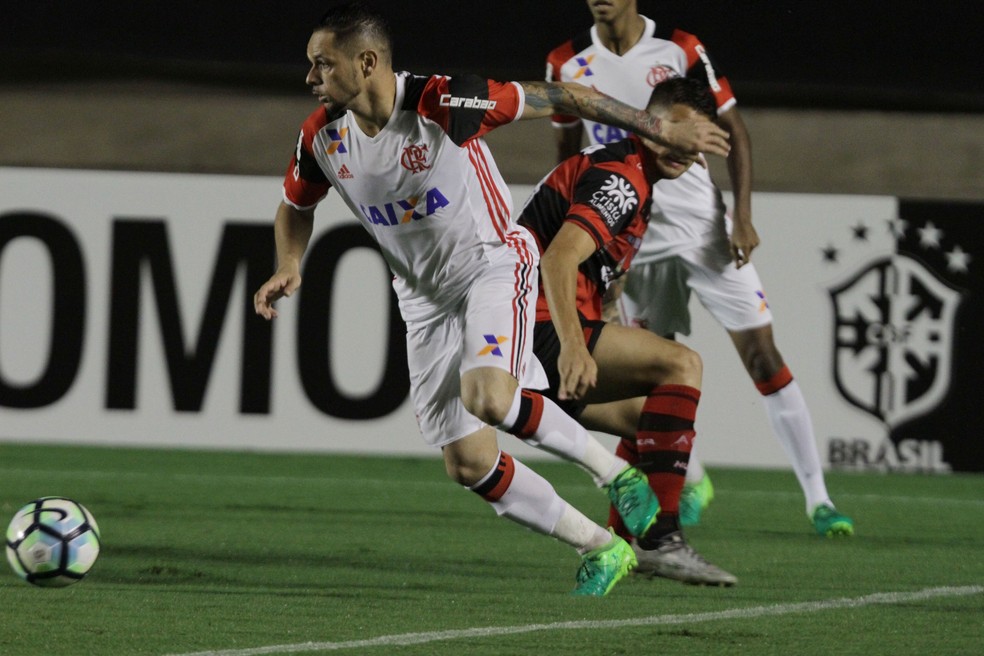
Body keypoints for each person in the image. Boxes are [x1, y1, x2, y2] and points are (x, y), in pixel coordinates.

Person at [252, 1, 731, 596]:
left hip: (493, 266)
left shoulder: (440, 101)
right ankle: (601, 547)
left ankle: (618, 476)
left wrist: (656, 128)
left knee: (488, 395)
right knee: (469, 463)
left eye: (322, 65)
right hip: (423, 302)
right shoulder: (321, 137)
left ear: (367, 62)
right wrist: (290, 263)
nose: (310, 78)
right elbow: (295, 208)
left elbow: (566, 98)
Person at [546, 0, 854, 537]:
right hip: (633, 238)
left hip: (707, 232)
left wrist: (744, 216)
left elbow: (734, 129)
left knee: (762, 355)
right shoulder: (565, 63)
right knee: (647, 378)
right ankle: (668, 500)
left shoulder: (680, 49)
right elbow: (568, 154)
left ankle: (818, 500)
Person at [517, 76, 737, 586]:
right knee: (682, 364)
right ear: (651, 124)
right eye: (677, 132)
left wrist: (606, 323)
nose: (683, 147)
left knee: (652, 422)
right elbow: (559, 258)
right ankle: (662, 539)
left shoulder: (635, 179)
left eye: (696, 138)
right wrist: (576, 345)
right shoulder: (623, 178)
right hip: (540, 329)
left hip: (528, 336)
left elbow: (594, 275)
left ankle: (629, 544)